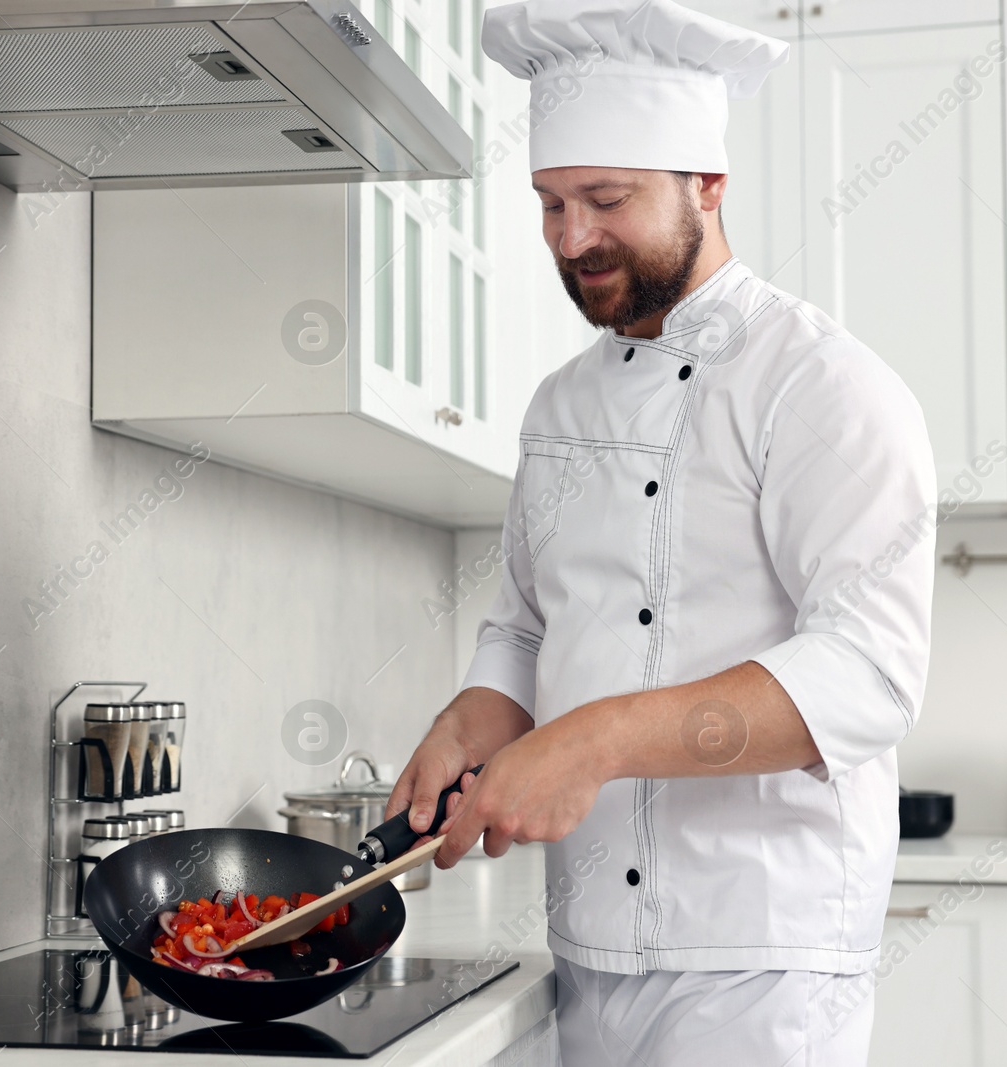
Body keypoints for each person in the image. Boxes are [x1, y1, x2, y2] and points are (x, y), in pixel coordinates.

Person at [384, 1, 937, 1062]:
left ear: (706, 185)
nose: (571, 238)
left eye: (605, 199)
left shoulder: (822, 387)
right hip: (591, 941)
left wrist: (589, 741)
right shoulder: (557, 404)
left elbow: (868, 672)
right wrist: (479, 709)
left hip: (762, 954)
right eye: (549, 202)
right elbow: (528, 622)